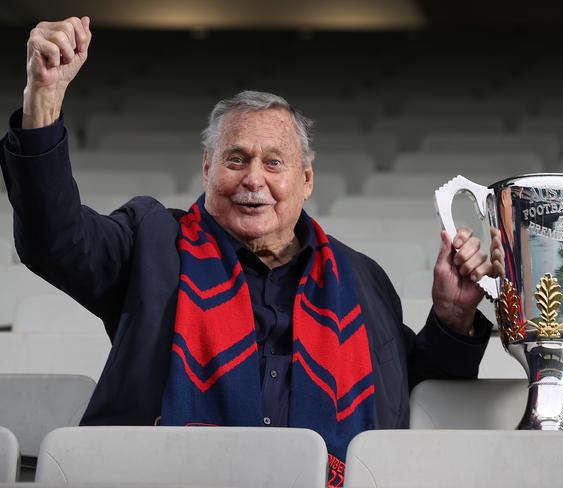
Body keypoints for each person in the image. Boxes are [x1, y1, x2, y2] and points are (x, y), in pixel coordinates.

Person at [1, 17, 504, 487]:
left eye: (274, 162)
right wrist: (43, 99)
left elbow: (408, 405)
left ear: (305, 179)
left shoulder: (360, 278)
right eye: (235, 159)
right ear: (206, 168)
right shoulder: (150, 242)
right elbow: (55, 240)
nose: (253, 179)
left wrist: (452, 319)